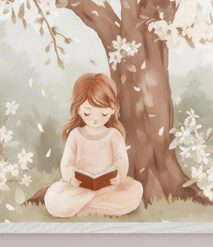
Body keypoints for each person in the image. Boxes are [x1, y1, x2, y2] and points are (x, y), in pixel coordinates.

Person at [44, 73, 144, 218]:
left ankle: (83, 207)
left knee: (135, 190)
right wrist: (71, 177)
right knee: (53, 197)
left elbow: (121, 160)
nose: (96, 119)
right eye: (88, 112)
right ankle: (95, 205)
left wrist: (118, 175)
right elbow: (67, 163)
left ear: (111, 109)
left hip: (109, 189)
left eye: (103, 113)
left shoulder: (114, 135)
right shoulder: (75, 135)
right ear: (78, 109)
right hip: (78, 189)